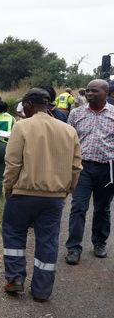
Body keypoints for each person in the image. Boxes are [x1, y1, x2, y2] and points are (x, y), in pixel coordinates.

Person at [2, 88, 81, 302]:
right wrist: (66, 190)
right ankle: (42, 290)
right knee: (48, 241)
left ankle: (15, 279)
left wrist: (8, 188)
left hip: (23, 194)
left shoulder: (21, 127)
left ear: (28, 105)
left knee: (14, 234)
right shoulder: (68, 130)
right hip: (55, 197)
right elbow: (76, 167)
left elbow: (13, 163)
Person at [63, 79, 114, 265]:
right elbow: (69, 142)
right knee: (78, 208)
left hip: (107, 169)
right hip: (82, 168)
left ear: (106, 93)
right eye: (88, 91)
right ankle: (73, 248)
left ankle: (100, 243)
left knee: (102, 208)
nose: (89, 94)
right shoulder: (76, 114)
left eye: (94, 91)